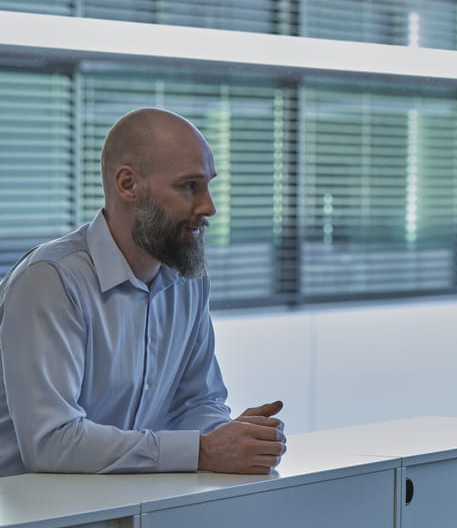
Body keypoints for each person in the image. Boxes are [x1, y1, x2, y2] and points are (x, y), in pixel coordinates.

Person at [0, 108, 286, 477]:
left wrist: (231, 437)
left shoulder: (189, 281)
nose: (209, 207)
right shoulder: (51, 281)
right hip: (30, 522)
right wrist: (203, 451)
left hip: (127, 505)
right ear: (128, 185)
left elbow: (196, 401)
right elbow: (51, 442)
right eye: (189, 186)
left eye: (208, 185)